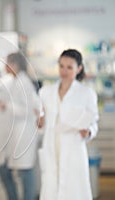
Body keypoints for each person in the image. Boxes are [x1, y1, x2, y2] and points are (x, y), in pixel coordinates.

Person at [38, 49, 99, 199]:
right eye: (61, 66)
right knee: (51, 189)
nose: (64, 71)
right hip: (51, 146)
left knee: (74, 190)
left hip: (73, 147)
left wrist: (89, 131)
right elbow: (41, 119)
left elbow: (94, 122)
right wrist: (39, 122)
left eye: (69, 67)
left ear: (79, 68)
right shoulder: (45, 92)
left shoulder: (86, 93)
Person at [0, 52, 42, 200]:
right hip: (17, 135)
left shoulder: (23, 82)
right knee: (6, 170)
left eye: (7, 63)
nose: (4, 66)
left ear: (14, 65)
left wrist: (7, 105)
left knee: (25, 174)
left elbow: (28, 110)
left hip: (24, 134)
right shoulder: (16, 81)